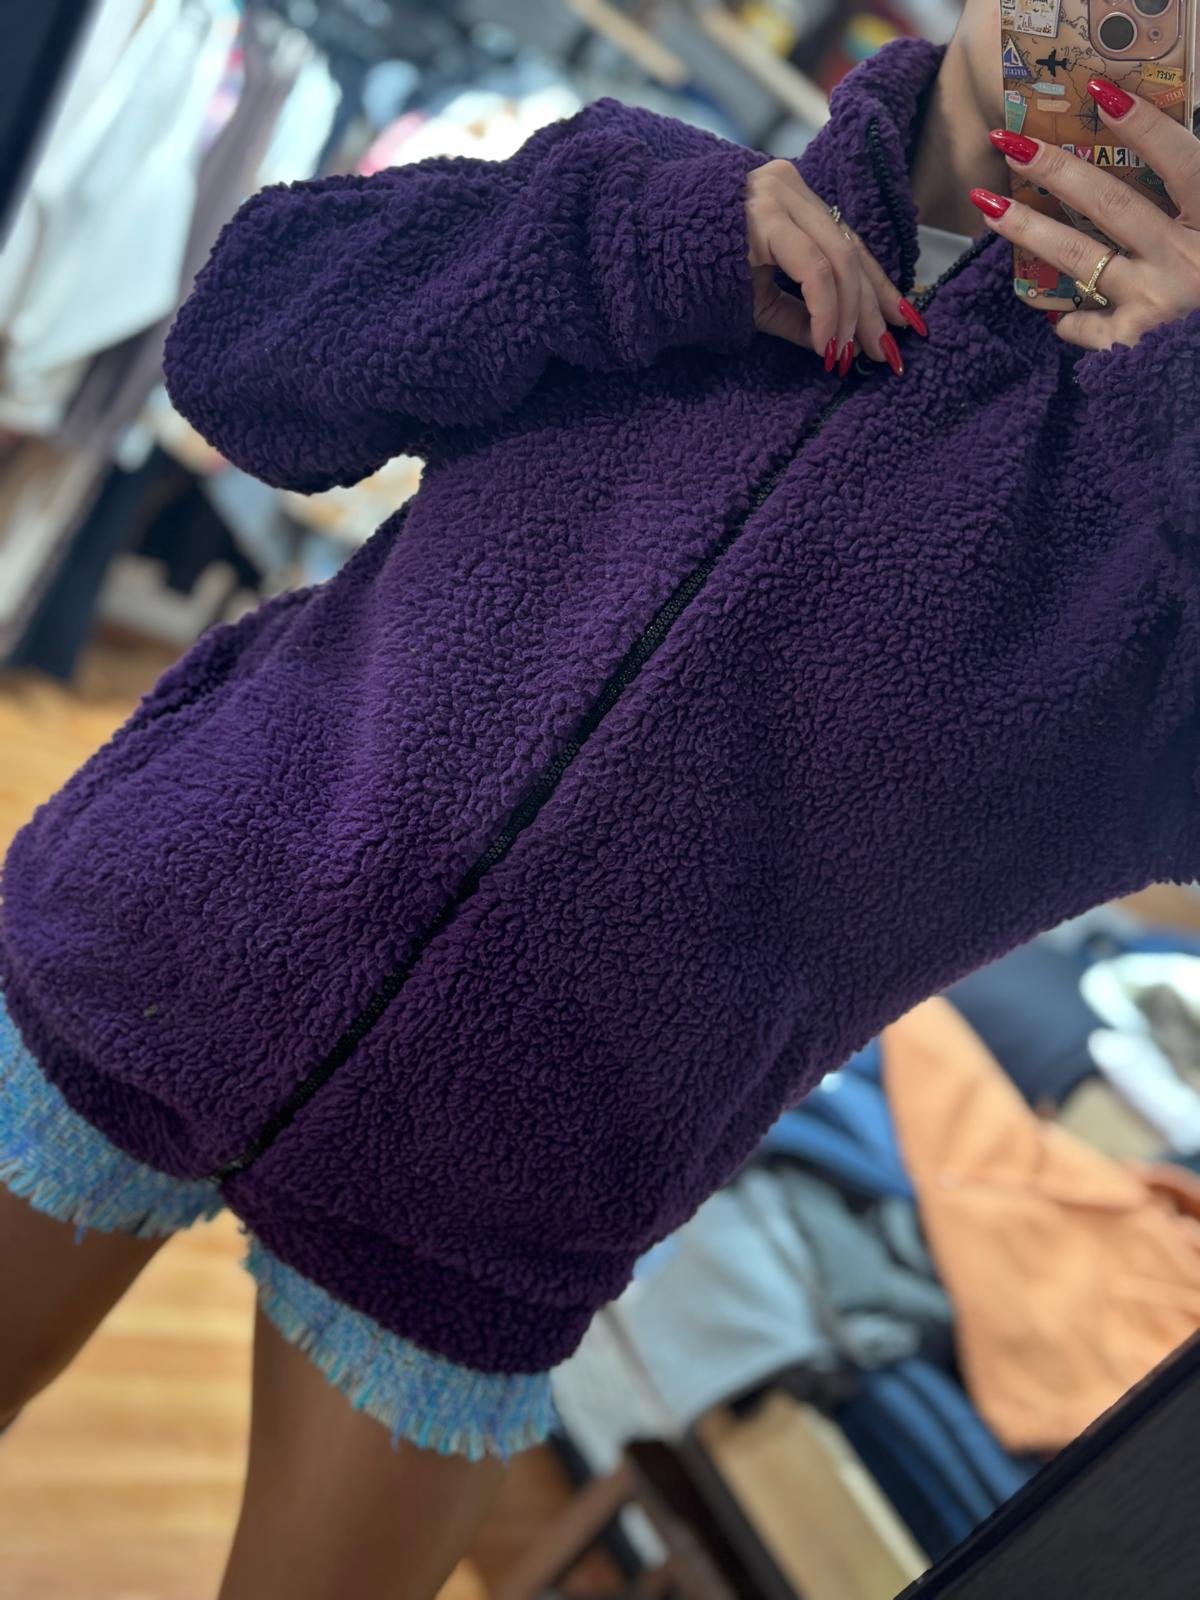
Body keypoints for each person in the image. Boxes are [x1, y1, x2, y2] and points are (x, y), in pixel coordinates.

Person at [2, 0, 1199, 1592]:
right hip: (148, 937)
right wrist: (611, 237)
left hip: (500, 1202)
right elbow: (237, 355)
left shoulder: (1156, 543)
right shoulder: (652, 200)